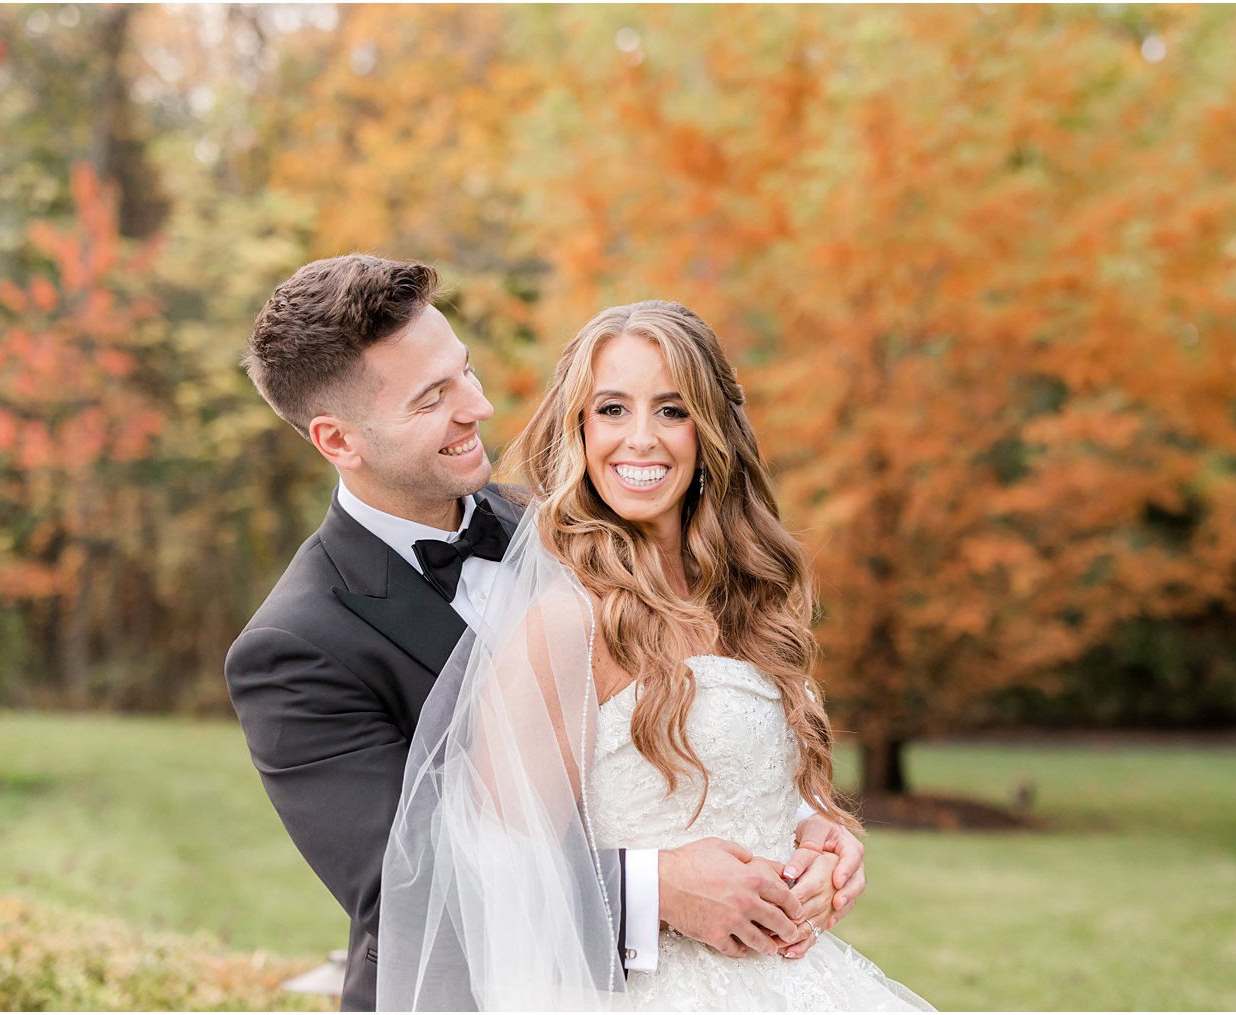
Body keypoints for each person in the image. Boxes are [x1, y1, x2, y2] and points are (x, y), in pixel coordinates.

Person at [225, 256, 871, 1012]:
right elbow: (416, 888)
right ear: (339, 440)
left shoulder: (584, 522)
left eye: (463, 371)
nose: (481, 405)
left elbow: (690, 708)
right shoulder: (295, 646)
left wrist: (805, 828)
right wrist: (656, 886)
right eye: (434, 397)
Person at [378, 299, 934, 1010]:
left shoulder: (750, 602)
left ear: (711, 432)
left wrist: (817, 838)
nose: (641, 439)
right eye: (611, 409)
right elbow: (503, 881)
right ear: (578, 426)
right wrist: (662, 885)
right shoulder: (562, 624)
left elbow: (753, 781)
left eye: (672, 410)